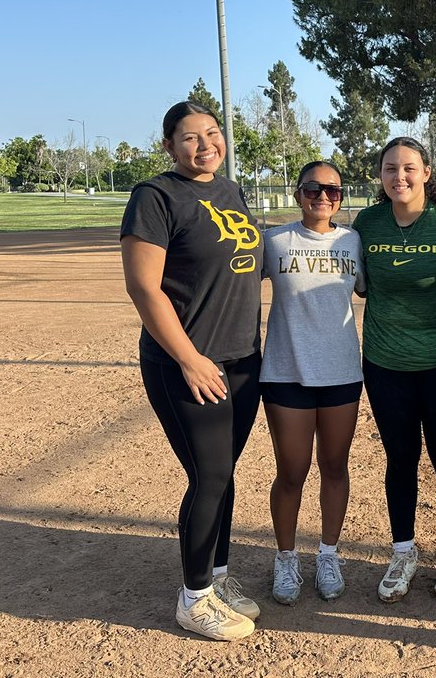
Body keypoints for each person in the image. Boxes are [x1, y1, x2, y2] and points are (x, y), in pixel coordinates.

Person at [120, 101, 264, 642]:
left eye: (212, 133)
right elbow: (143, 287)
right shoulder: (155, 197)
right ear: (168, 145)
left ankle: (218, 577)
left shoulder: (230, 192)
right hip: (186, 364)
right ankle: (194, 597)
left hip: (243, 359)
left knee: (224, 473)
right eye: (189, 137)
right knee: (209, 476)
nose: (204, 145)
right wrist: (188, 358)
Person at [352, 137, 436, 603]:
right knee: (400, 457)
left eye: (409, 168)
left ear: (427, 172)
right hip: (386, 363)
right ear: (380, 175)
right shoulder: (367, 223)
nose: (399, 177)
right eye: (390, 169)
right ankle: (403, 551)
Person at [260, 161, 364, 605]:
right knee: (292, 471)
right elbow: (232, 283)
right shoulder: (274, 240)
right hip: (287, 371)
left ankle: (327, 554)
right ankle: (286, 558)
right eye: (312, 188)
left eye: (333, 191)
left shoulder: (354, 240)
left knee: (335, 467)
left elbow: (374, 288)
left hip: (341, 372)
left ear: (341, 196)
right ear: (298, 191)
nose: (322, 197)